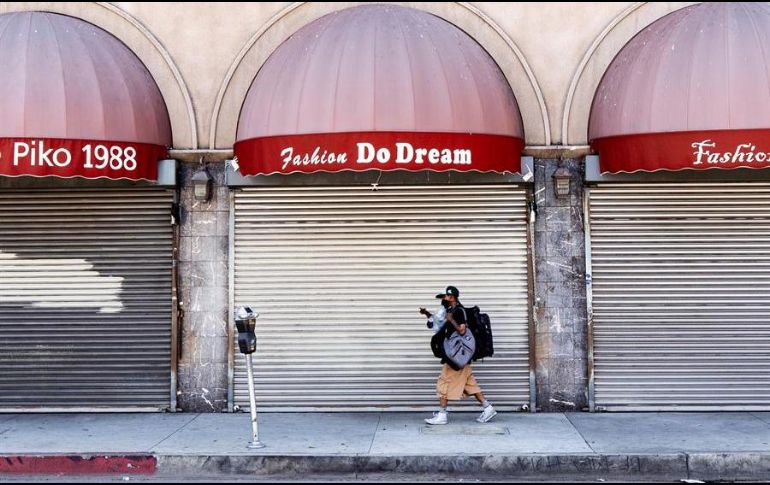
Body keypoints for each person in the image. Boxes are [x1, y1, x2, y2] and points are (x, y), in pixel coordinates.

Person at [424, 285, 497, 425]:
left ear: (452, 297)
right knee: (470, 385)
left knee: (443, 383)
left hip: (457, 356)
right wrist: (428, 314)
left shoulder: (459, 311)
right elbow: (438, 325)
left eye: (445, 296)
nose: (443, 299)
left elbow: (462, 331)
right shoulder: (450, 310)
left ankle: (442, 414)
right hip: (457, 355)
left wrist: (451, 320)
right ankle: (488, 408)